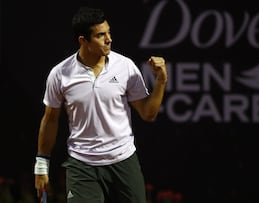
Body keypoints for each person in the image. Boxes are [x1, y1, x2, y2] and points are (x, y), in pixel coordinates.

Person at [34, 6, 168, 203]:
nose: (109, 39)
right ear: (83, 41)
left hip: (123, 160)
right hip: (82, 165)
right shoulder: (60, 74)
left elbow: (149, 114)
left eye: (109, 32)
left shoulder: (125, 67)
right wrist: (41, 164)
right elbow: (51, 119)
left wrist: (161, 81)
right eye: (101, 35)